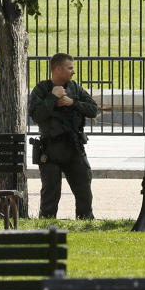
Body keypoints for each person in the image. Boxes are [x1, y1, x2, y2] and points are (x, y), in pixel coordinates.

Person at [28, 53, 97, 219]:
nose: (73, 72)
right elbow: (37, 115)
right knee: (50, 193)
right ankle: (46, 224)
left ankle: (85, 221)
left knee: (84, 192)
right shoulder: (42, 89)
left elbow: (93, 109)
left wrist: (72, 102)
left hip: (74, 147)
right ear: (58, 69)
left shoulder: (74, 88)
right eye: (70, 68)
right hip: (51, 149)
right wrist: (52, 98)